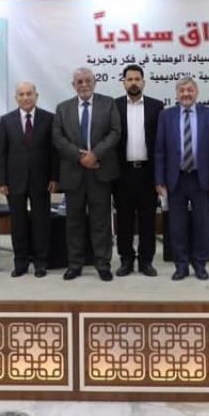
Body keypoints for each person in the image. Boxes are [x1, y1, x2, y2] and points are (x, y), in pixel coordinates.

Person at [52, 67, 121, 281]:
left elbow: (115, 132)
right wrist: (80, 157)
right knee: (74, 222)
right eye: (79, 81)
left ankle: (103, 264)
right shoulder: (63, 108)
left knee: (101, 222)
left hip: (100, 171)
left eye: (88, 80)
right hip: (73, 173)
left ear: (95, 82)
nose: (84, 85)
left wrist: (95, 154)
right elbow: (57, 137)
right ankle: (75, 264)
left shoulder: (108, 103)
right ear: (73, 85)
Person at [155, 76, 209, 281]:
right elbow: (159, 150)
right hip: (175, 179)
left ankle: (200, 264)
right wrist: (159, 180)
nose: (186, 94)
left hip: (201, 179)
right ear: (176, 94)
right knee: (177, 225)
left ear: (196, 92)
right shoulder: (165, 116)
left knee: (203, 224)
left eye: (190, 90)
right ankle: (181, 265)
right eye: (182, 90)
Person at [0, 81, 59, 278]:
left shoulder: (49, 118)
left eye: (29, 93)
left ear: (36, 96)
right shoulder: (6, 120)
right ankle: (20, 262)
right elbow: (2, 153)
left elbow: (54, 152)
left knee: (41, 222)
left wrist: (54, 177)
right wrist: (1, 181)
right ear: (16, 98)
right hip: (14, 180)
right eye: (21, 94)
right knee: (18, 223)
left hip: (41, 180)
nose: (25, 97)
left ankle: (41, 262)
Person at [112, 64, 163, 277]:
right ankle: (126, 260)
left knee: (147, 219)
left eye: (137, 79)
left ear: (144, 82)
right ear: (123, 82)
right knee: (124, 219)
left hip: (147, 173)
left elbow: (161, 143)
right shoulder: (113, 106)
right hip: (122, 173)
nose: (133, 83)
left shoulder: (156, 106)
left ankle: (145, 261)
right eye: (129, 79)